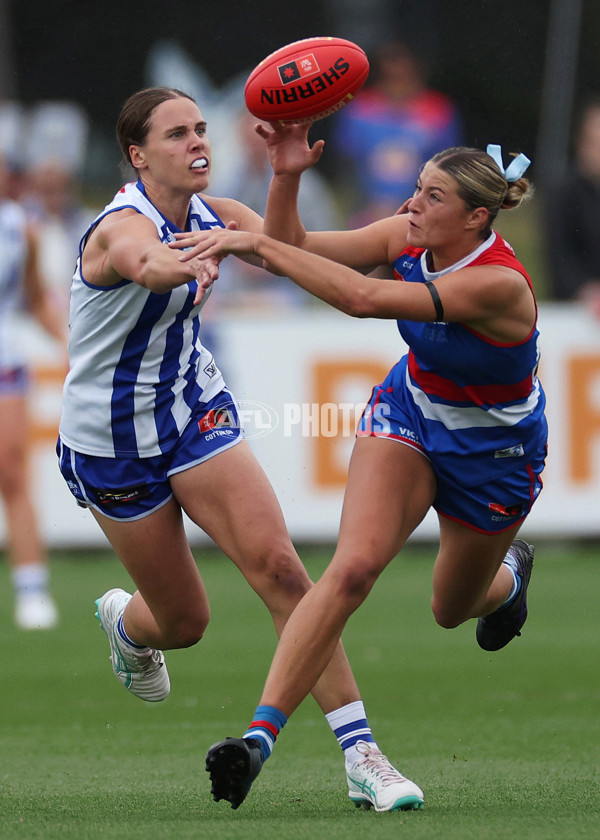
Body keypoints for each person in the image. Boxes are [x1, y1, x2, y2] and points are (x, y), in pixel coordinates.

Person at [56, 87, 424, 813]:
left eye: (200, 129)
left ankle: (364, 759)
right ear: (137, 155)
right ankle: (128, 626)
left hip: (194, 411)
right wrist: (180, 264)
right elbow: (143, 262)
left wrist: (285, 174)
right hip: (112, 442)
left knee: (283, 571)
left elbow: (290, 252)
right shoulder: (120, 226)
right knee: (184, 623)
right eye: (176, 134)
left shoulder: (216, 213)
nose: (197, 142)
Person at [168, 126, 547, 810]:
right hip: (411, 411)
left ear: (476, 218)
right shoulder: (409, 235)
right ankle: (257, 741)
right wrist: (286, 176)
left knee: (451, 607)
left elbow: (361, 299)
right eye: (417, 188)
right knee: (351, 570)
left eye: (433, 197)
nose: (412, 204)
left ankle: (508, 579)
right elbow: (296, 245)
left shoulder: (498, 285)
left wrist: (254, 243)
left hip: (494, 454)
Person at [0, 153, 64, 629]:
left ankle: (31, 588)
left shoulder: (21, 227)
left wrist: (70, 343)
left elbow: (36, 299)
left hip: (5, 359)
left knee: (12, 471)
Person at [330, 40, 463, 226]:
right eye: (390, 68)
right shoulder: (360, 108)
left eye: (403, 68)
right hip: (367, 212)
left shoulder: (438, 110)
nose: (396, 74)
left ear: (417, 68)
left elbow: (448, 164)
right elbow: (348, 163)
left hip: (423, 215)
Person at [543, 98, 600, 312]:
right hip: (574, 309)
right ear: (581, 143)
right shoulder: (562, 192)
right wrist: (584, 290)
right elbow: (558, 255)